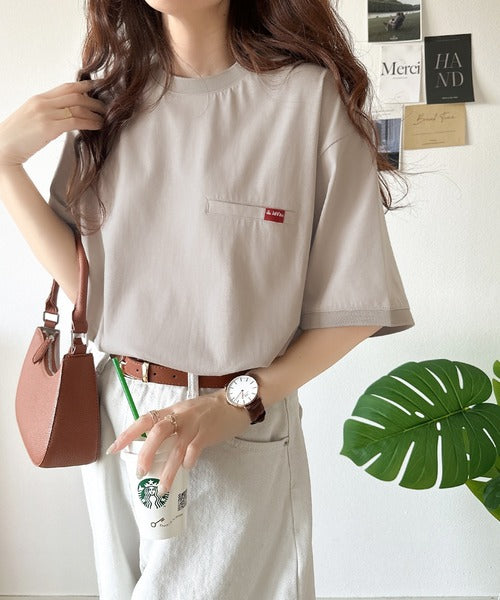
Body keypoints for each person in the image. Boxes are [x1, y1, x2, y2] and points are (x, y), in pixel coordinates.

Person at [0, 0, 415, 598]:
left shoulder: (307, 101)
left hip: (235, 427)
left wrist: (239, 402)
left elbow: (356, 304)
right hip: (119, 415)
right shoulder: (109, 100)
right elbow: (89, 284)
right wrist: (6, 162)